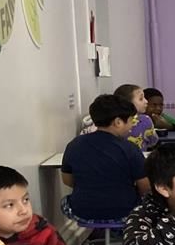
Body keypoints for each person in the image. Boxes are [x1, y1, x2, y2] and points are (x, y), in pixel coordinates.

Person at [61, 93, 149, 223]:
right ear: (118, 122)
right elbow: (145, 186)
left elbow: (67, 180)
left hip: (82, 211)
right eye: (131, 121)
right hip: (124, 211)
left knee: (65, 201)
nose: (132, 126)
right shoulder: (130, 148)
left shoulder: (74, 144)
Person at [114, 83, 159, 152]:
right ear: (128, 103)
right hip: (139, 159)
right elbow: (153, 141)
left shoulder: (113, 121)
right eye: (141, 99)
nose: (146, 101)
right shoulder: (145, 120)